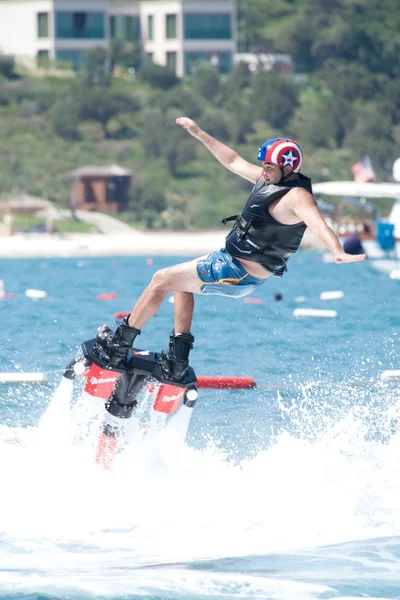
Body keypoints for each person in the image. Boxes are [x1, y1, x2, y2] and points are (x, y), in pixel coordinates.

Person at [94, 117, 366, 380]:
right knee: (180, 282)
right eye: (263, 165)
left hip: (236, 270)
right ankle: (177, 361)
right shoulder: (268, 179)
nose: (262, 170)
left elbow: (318, 224)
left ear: (289, 169)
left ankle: (118, 347)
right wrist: (198, 132)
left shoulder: (297, 197)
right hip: (230, 264)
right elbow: (233, 160)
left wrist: (336, 250)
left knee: (159, 280)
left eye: (269, 167)